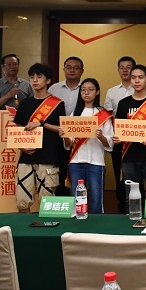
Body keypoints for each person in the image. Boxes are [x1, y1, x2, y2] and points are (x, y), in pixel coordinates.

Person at [13, 63, 65, 213]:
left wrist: (42, 123)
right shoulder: (25, 103)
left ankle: (48, 226)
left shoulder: (57, 104)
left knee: (47, 201)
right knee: (22, 199)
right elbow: (18, 128)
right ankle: (23, 227)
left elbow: (62, 129)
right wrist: (21, 147)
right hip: (26, 157)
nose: (35, 80)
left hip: (48, 156)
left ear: (48, 80)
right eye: (32, 77)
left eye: (39, 77)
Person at [113, 65, 146, 202]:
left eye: (140, 77)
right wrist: (117, 139)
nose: (137, 81)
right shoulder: (123, 103)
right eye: (133, 78)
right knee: (131, 196)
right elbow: (118, 129)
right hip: (129, 155)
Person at [60, 78, 113, 214]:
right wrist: (64, 136)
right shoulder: (75, 114)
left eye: (90, 90)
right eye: (83, 90)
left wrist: (101, 137)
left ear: (97, 92)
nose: (86, 93)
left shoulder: (103, 115)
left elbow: (110, 143)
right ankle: (77, 222)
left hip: (96, 161)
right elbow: (69, 144)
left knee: (96, 197)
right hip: (76, 161)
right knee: (76, 196)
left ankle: (97, 223)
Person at [104, 56, 138, 213]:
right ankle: (122, 209)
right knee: (120, 174)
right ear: (118, 70)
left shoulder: (143, 89)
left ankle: (137, 207)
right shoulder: (112, 91)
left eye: (128, 67)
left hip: (137, 140)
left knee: (137, 176)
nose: (125, 70)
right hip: (118, 140)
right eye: (122, 67)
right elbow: (108, 117)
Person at [49, 56, 84, 195]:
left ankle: (78, 199)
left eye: (76, 68)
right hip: (57, 134)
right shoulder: (54, 88)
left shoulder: (86, 88)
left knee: (77, 169)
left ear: (82, 71)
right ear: (64, 69)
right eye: (69, 67)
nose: (72, 70)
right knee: (60, 167)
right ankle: (62, 198)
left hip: (80, 136)